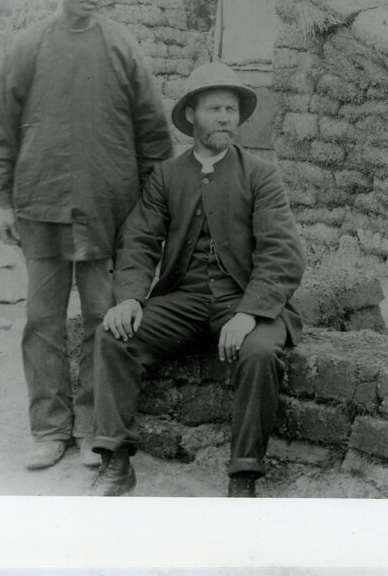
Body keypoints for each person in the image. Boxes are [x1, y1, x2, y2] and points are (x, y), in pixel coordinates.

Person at [0, 0, 174, 470]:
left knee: (102, 321)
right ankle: (48, 429)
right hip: (39, 209)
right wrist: (0, 202)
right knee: (41, 321)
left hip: (107, 212)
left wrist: (152, 207)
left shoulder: (121, 45)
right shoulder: (29, 46)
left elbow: (154, 134)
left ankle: (94, 429)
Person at [90, 62, 305, 497]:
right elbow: (138, 241)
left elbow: (282, 254)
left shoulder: (261, 175)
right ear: (191, 115)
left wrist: (249, 313)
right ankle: (116, 460)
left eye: (231, 109)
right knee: (112, 335)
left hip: (244, 300)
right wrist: (130, 297)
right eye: (214, 109)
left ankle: (243, 475)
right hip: (184, 300)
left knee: (261, 353)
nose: (225, 118)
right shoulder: (168, 176)